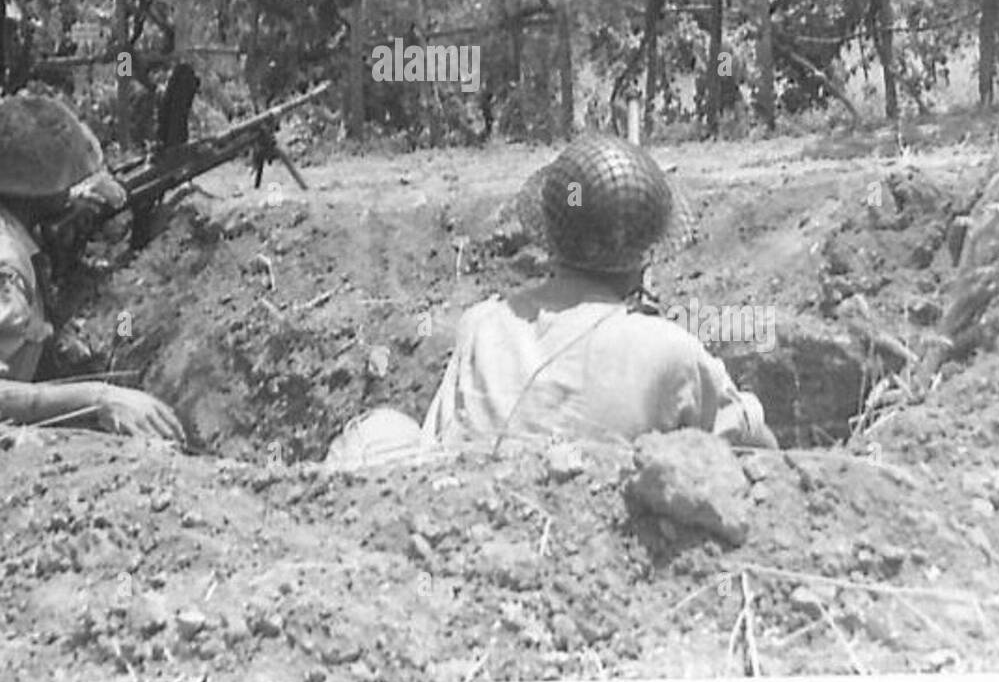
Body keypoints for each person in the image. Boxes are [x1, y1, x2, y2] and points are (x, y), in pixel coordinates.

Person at [325, 134, 775, 470]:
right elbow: (758, 452)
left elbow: (437, 444)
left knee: (380, 432)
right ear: (647, 254)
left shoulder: (483, 323)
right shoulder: (671, 351)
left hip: (466, 532)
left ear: (551, 238)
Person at [0, 95, 185, 443]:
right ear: (36, 189)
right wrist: (100, 398)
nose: (72, 187)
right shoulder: (0, 259)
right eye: (63, 182)